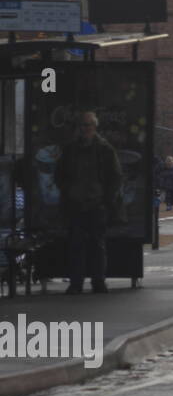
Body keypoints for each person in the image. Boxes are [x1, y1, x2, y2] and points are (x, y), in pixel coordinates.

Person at [54, 111, 123, 295]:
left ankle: (98, 281)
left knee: (97, 245)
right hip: (75, 203)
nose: (85, 129)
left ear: (94, 127)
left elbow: (115, 177)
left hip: (96, 204)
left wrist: (106, 198)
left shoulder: (105, 150)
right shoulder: (70, 149)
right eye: (82, 126)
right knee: (76, 245)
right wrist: (68, 191)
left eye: (88, 125)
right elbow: (59, 174)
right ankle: (76, 282)